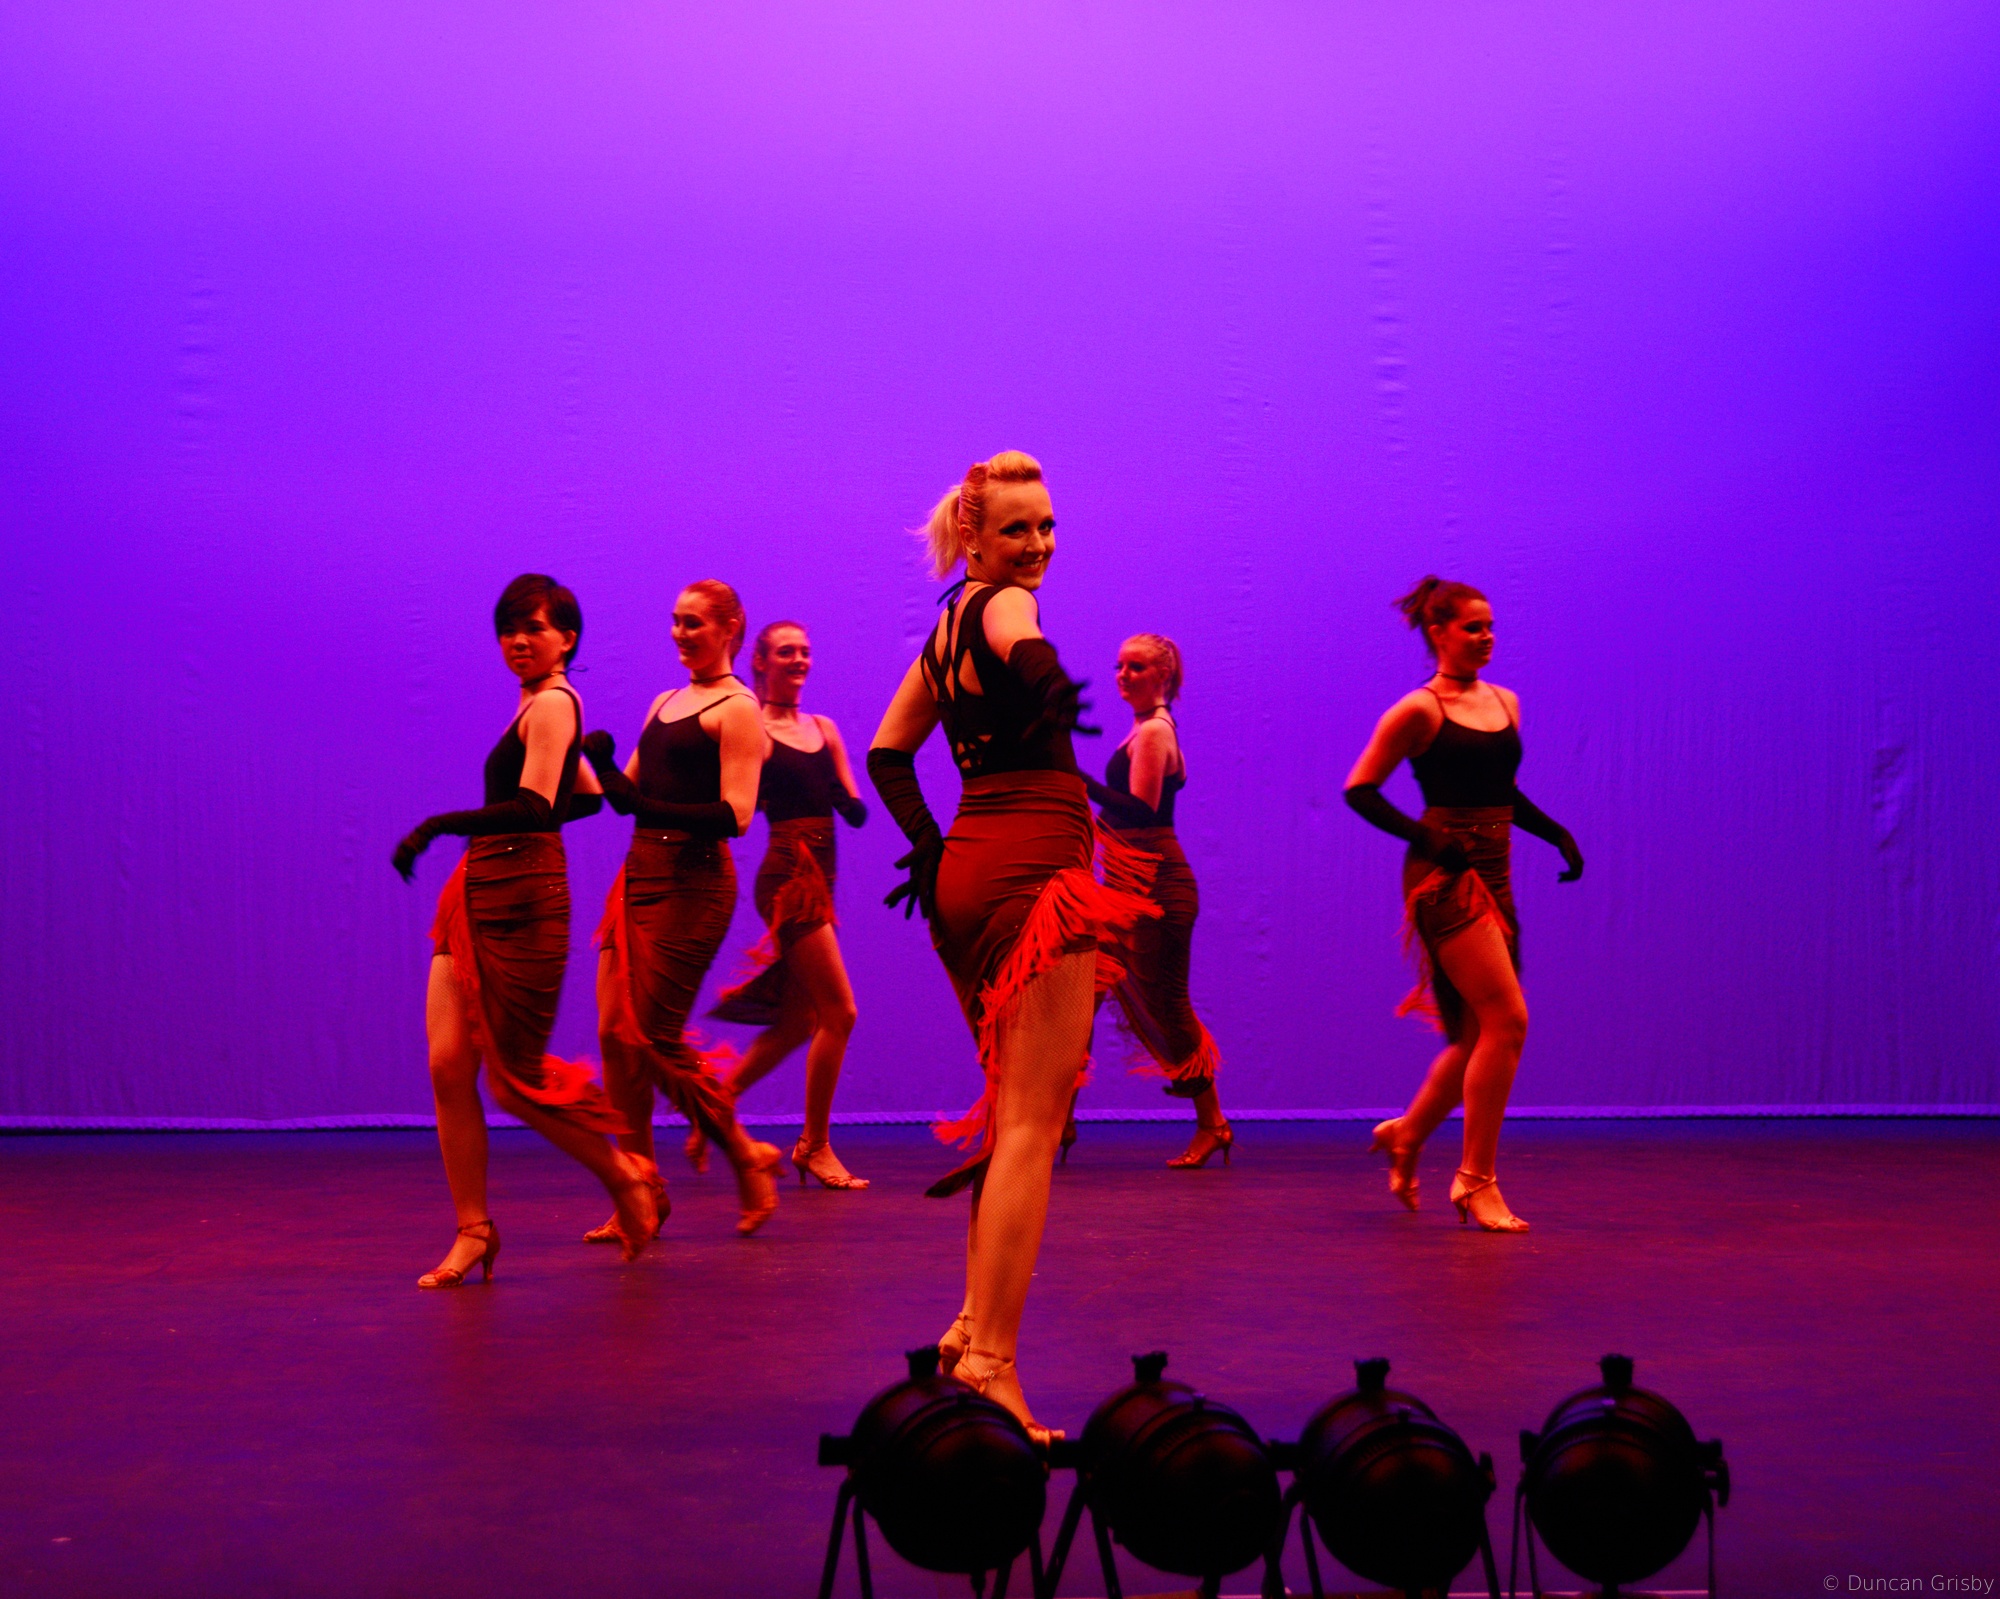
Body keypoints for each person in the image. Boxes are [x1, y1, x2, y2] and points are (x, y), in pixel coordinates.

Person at [868, 451, 1154, 1443]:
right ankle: (991, 1361)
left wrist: (930, 846)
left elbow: (887, 753)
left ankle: (968, 1325)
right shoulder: (1000, 605)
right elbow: (1023, 642)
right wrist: (1049, 688)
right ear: (975, 538)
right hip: (1033, 870)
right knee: (1035, 1120)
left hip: (968, 870)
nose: (1036, 546)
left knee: (1013, 1113)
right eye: (1016, 529)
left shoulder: (943, 628)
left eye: (1046, 527)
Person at [392, 574, 660, 1287]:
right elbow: (585, 799)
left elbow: (537, 808)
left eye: (532, 628)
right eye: (508, 629)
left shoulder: (553, 703)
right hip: (478, 887)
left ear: (566, 638)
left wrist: (439, 823)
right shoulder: (539, 705)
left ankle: (625, 1176)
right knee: (448, 1065)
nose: (517, 640)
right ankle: (474, 1230)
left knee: (513, 1084)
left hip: (523, 898)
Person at [1343, 576, 1583, 1232]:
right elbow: (1360, 789)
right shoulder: (1417, 711)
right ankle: (1476, 1180)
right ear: (1438, 633)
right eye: (1472, 627)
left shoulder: (1506, 701)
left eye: (1490, 626)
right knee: (1509, 1019)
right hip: (1443, 877)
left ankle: (1407, 1131)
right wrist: (1429, 839)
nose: (1486, 637)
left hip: (1495, 869)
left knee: (1477, 1032)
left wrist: (1555, 833)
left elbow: (1502, 791)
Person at [579, 579, 784, 1238]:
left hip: (694, 885)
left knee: (651, 1038)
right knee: (614, 1035)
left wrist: (640, 803)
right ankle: (641, 1188)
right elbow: (626, 795)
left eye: (693, 622)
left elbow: (737, 815)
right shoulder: (665, 702)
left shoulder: (739, 708)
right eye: (675, 620)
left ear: (730, 629)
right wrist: (591, 758)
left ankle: (744, 1153)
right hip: (639, 875)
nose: (679, 633)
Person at [701, 621, 871, 1190]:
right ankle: (814, 1145)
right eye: (786, 652)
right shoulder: (756, 730)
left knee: (800, 1020)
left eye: (805, 651)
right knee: (840, 1012)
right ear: (760, 661)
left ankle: (714, 1102)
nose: (799, 660)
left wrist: (846, 798)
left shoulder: (824, 728)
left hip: (823, 877)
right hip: (787, 878)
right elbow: (737, 802)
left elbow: (852, 802)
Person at [1083, 634, 1230, 1168]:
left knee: (1166, 1003)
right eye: (1119, 665)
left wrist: (1076, 780)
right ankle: (1057, 1120)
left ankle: (1213, 1123)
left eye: (1136, 667)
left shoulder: (1153, 732)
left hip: (1155, 884)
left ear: (1162, 675)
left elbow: (1141, 810)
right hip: (1128, 882)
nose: (1123, 675)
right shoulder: (1144, 728)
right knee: (1085, 992)